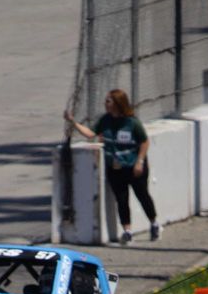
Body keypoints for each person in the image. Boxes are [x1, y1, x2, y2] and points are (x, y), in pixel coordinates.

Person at [65, 89, 161, 244]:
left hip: (134, 167)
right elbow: (90, 134)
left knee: (142, 195)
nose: (105, 104)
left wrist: (140, 161)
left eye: (108, 101)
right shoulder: (106, 120)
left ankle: (154, 223)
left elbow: (144, 141)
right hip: (116, 168)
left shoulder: (132, 122)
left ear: (118, 103)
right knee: (122, 199)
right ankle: (127, 231)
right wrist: (73, 122)